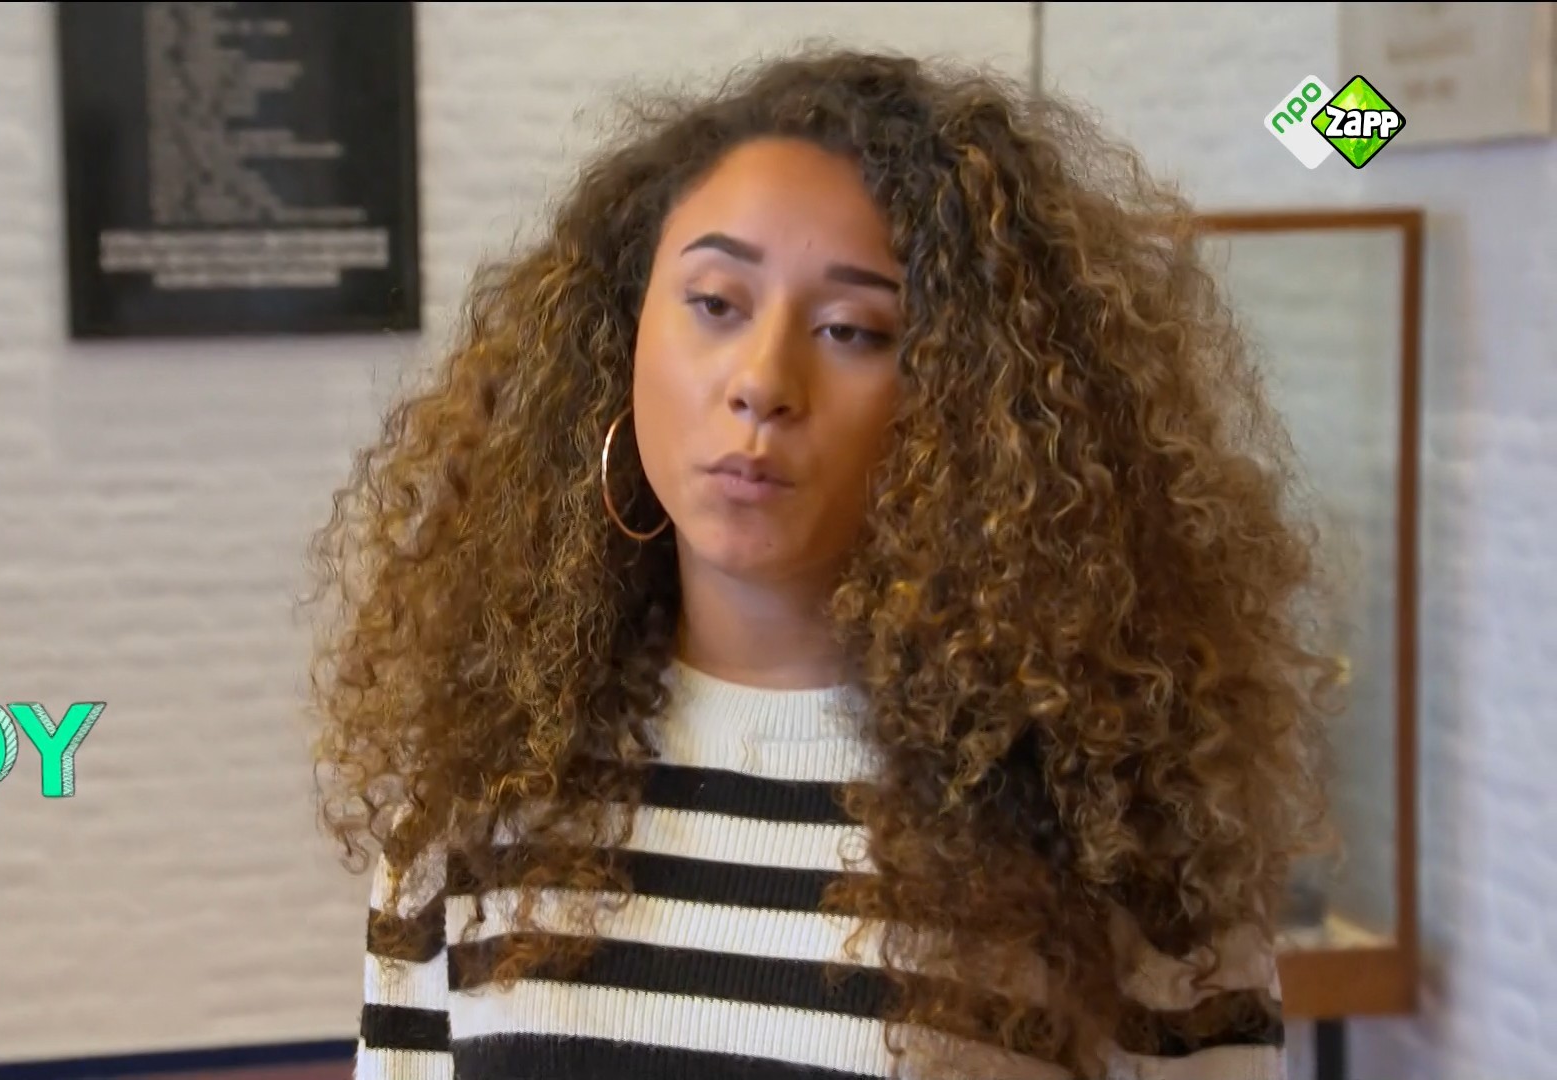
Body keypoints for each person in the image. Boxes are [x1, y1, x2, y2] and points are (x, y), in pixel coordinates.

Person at [306, 45, 1340, 1080]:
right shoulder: (484, 787)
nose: (763, 381)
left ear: (970, 406)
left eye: (852, 329)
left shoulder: (1111, 831)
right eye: (716, 303)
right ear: (623, 339)